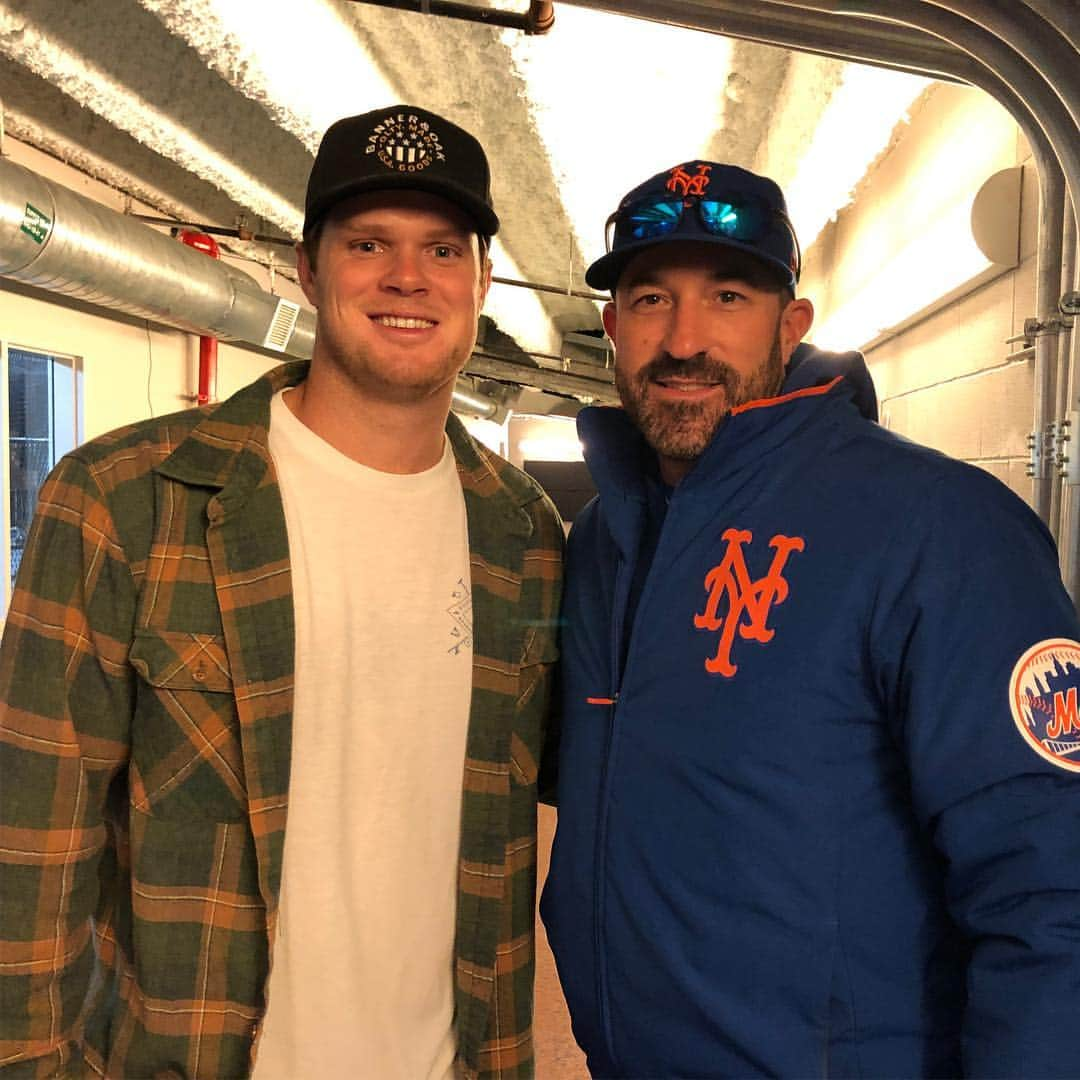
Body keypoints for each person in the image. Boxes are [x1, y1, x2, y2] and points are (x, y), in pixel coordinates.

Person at [0, 106, 563, 1079]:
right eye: (369, 243)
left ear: (478, 283)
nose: (406, 277)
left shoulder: (524, 537)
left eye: (442, 248)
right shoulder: (122, 502)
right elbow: (28, 847)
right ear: (308, 269)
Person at [540, 158, 1080, 1078]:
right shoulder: (602, 540)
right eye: (649, 300)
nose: (683, 339)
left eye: (729, 297)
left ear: (791, 327)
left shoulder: (935, 528)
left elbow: (1051, 888)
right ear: (612, 327)